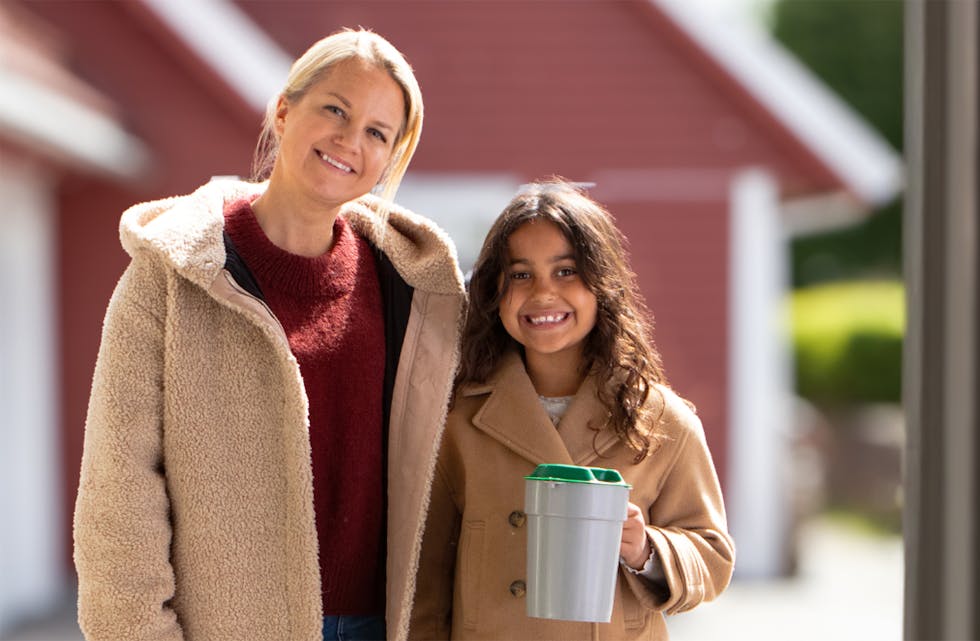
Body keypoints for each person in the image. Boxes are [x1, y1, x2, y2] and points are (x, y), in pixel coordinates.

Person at [73, 29, 465, 641]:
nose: (349, 140)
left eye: (376, 132)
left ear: (389, 158)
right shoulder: (171, 275)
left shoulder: (415, 288)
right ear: (283, 112)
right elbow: (118, 494)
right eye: (335, 109)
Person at [409, 179, 735, 640]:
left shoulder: (660, 419)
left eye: (566, 271)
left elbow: (712, 558)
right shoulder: (457, 420)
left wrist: (645, 548)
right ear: (494, 291)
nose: (543, 292)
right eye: (520, 274)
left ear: (603, 285)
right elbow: (425, 578)